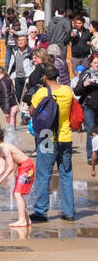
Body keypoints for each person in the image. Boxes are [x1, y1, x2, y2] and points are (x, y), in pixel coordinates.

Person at [28, 63, 75, 223]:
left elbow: (32, 112)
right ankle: (69, 212)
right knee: (66, 175)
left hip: (47, 136)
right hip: (66, 137)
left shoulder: (41, 92)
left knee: (43, 174)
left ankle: (41, 211)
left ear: (45, 77)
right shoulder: (67, 91)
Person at [0, 125, 35, 227]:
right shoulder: (2, 150)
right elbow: (1, 169)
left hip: (27, 167)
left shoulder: (6, 148)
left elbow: (10, 167)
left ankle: (22, 220)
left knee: (17, 194)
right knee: (18, 194)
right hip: (23, 167)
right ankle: (27, 220)